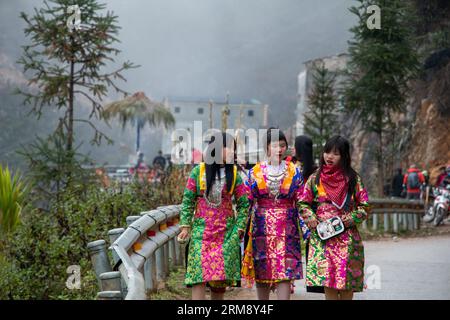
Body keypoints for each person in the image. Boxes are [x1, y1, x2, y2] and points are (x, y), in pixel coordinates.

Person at [178, 132, 250, 300]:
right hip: (201, 233)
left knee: (219, 283)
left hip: (226, 234)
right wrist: (185, 226)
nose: (232, 152)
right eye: (229, 148)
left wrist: (239, 229)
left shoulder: (234, 174)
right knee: (198, 277)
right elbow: (188, 200)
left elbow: (244, 204)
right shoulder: (198, 171)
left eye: (234, 149)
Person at [297, 135, 369, 300]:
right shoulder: (315, 178)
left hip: (347, 237)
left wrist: (350, 219)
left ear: (344, 156)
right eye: (327, 152)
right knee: (327, 281)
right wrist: (310, 218)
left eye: (335, 153)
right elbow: (302, 203)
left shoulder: (353, 179)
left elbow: (364, 207)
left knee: (347, 282)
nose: (329, 156)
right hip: (323, 236)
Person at [241, 128, 304, 300]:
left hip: (287, 229)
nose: (279, 149)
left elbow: (302, 202)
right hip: (261, 228)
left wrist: (307, 229)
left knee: (285, 270)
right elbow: (245, 202)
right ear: (267, 147)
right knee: (262, 269)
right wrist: (239, 227)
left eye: (282, 146)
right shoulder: (254, 172)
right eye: (275, 145)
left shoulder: (295, 171)